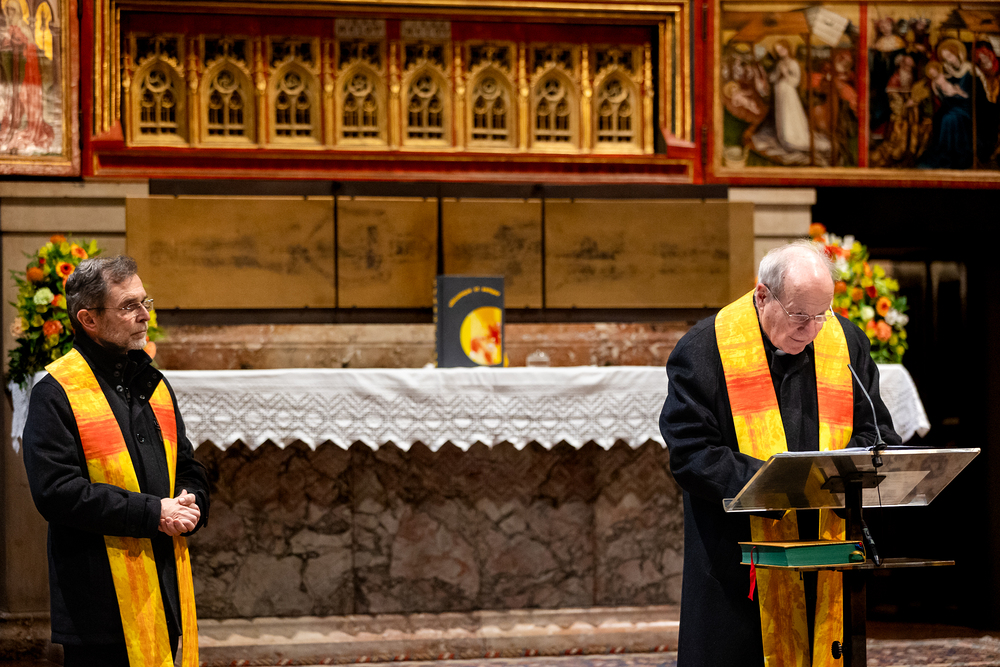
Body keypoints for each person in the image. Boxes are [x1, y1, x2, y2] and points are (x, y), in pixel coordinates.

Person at [659, 241, 900, 667]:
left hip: (827, 551)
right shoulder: (704, 351)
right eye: (799, 314)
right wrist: (779, 485)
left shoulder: (846, 344)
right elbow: (692, 453)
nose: (812, 329)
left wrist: (840, 472)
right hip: (741, 560)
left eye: (821, 314)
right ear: (762, 296)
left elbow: (876, 431)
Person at [23, 255, 209, 667]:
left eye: (145, 301)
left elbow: (187, 466)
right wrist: (154, 513)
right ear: (88, 319)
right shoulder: (57, 391)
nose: (145, 315)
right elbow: (57, 492)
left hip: (162, 588)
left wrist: (191, 504)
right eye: (129, 306)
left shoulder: (152, 383)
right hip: (98, 601)